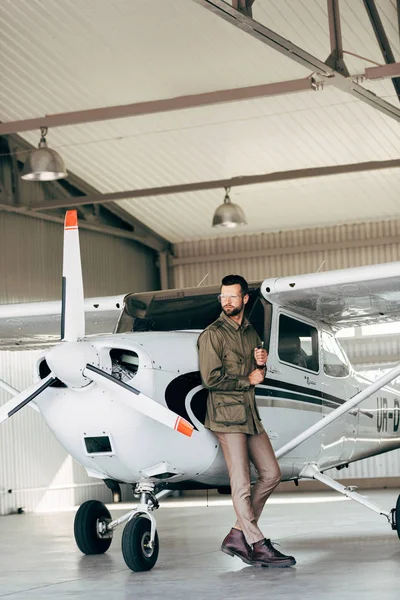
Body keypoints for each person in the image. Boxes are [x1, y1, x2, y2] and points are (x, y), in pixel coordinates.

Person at [197, 274, 296, 568]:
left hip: (249, 413)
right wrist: (248, 379)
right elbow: (210, 379)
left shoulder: (252, 333)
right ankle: (257, 543)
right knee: (240, 484)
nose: (227, 302)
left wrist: (261, 364)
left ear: (244, 299)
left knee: (271, 473)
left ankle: (237, 535)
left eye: (232, 296)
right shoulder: (212, 335)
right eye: (223, 297)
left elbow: (257, 375)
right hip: (226, 417)